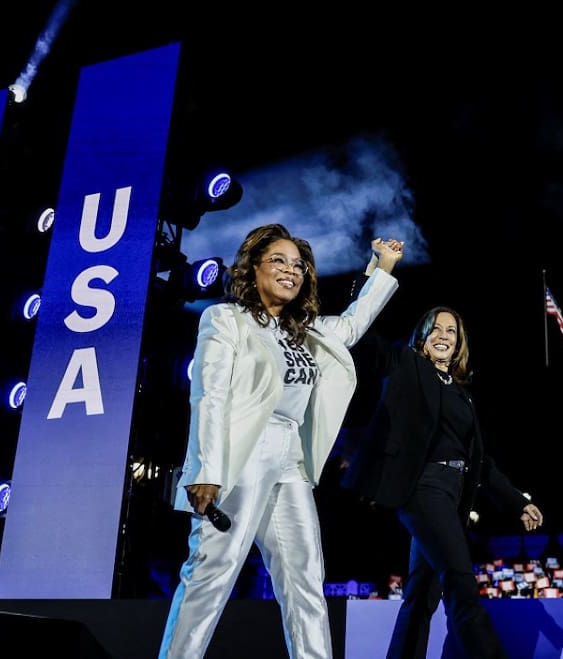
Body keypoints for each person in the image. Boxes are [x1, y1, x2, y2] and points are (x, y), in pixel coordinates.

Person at [158, 223, 403, 659]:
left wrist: (382, 270)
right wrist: (207, 469)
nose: (291, 270)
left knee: (305, 578)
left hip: (290, 456)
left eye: (299, 265)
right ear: (252, 268)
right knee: (213, 573)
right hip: (241, 454)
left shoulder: (305, 331)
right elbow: (209, 396)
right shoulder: (225, 319)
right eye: (279, 260)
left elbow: (351, 324)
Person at [341, 304, 544, 659]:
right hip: (423, 488)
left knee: (421, 596)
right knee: (461, 585)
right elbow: (367, 341)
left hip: (451, 495)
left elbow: (479, 462)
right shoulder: (408, 365)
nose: (443, 336)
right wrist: (373, 280)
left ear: (459, 343)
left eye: (451, 331)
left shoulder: (461, 394)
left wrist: (517, 501)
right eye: (435, 329)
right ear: (421, 337)